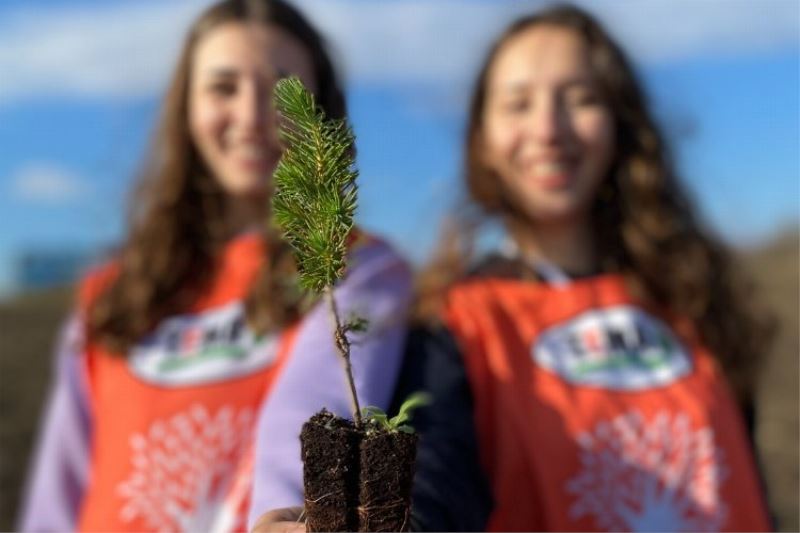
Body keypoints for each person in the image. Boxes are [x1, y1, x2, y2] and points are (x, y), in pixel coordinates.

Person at [18, 1, 411, 531]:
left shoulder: (356, 268)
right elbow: (58, 492)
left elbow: (318, 406)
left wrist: (281, 516)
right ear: (185, 107)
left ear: (320, 114)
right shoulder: (111, 291)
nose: (251, 116)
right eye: (223, 87)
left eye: (281, 89)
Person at [395, 4, 775, 531]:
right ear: (481, 140)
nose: (548, 129)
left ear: (620, 124)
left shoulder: (691, 295)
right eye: (518, 103)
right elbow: (434, 479)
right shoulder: (452, 323)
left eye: (581, 99)